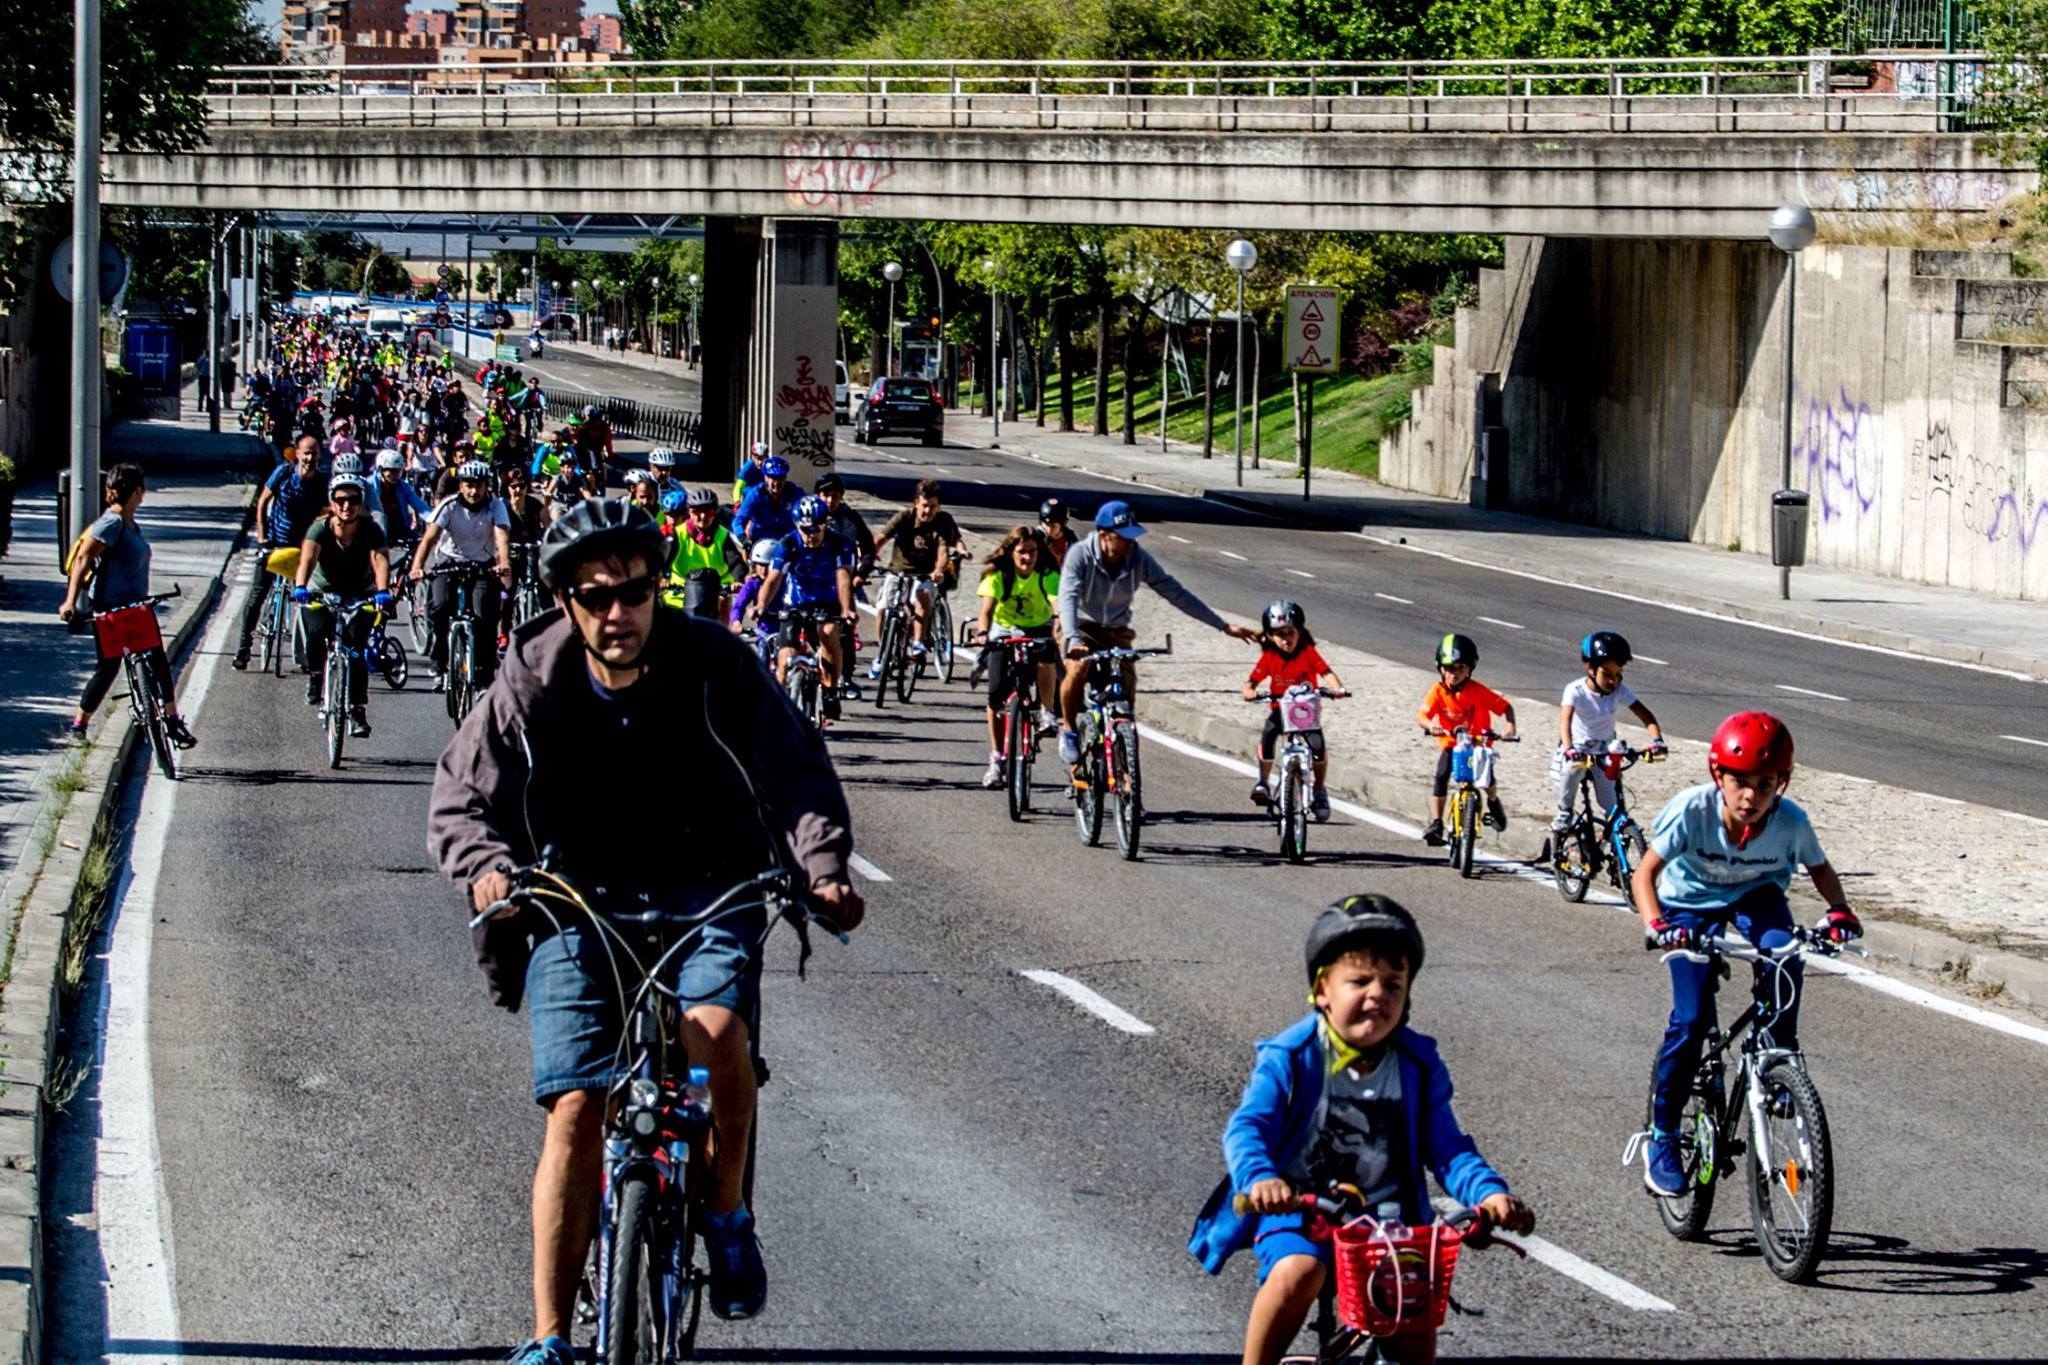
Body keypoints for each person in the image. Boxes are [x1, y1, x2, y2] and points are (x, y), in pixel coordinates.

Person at [428, 499, 865, 1365]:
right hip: (572, 899)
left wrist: (822, 867)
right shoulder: (529, 673)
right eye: (595, 597)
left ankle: (728, 1212)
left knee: (714, 1036)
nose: (617, 613)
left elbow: (796, 769)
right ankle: (549, 1339)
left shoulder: (715, 663)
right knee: (578, 1106)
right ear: (564, 599)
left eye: (633, 591)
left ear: (656, 588)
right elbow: (460, 795)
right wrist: (485, 864)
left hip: (707, 889)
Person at [1188, 896, 1534, 1365]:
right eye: (1360, 981)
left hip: (1394, 1227)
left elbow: (1448, 1147)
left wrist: (1489, 1194)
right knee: (1298, 1271)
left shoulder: (1418, 1063)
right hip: (1302, 1215)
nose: (1378, 995)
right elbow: (1247, 1127)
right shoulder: (1291, 1056)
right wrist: (1261, 1179)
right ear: (1322, 990)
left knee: (1415, 1313)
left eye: (1394, 984)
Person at [1630, 712, 1860, 1199]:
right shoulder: (1690, 811)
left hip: (1756, 896)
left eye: (1766, 783)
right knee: (1691, 1021)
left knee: (1785, 954)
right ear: (1719, 776)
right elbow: (1644, 875)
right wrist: (1657, 926)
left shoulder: (1790, 821)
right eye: (1739, 782)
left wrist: (1839, 911)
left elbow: (1820, 869)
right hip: (1686, 905)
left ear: (1782, 782)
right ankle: (1662, 1138)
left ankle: (1777, 1058)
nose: (1751, 796)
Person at [1053, 500, 1259, 766]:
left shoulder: (1137, 558)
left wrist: (1222, 625)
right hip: (1080, 626)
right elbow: (1067, 598)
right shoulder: (1080, 555)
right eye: (1123, 538)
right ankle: (1069, 729)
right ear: (1104, 536)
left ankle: (1126, 778)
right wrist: (1073, 638)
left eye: (1132, 537)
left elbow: (1175, 592)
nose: (1130, 544)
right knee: (1077, 669)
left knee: (1124, 699)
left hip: (1116, 631)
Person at [56, 463, 198, 747]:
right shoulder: (113, 522)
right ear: (137, 491)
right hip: (111, 607)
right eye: (141, 489)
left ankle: (171, 720)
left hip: (136, 606)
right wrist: (70, 601)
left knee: (158, 661)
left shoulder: (131, 523)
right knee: (108, 667)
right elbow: (83, 558)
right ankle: (79, 724)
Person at [292, 473, 393, 737]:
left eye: (353, 500)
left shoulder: (371, 529)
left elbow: (380, 560)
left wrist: (383, 591)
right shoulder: (320, 528)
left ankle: (358, 710)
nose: (346, 506)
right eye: (340, 500)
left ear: (361, 502)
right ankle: (316, 676)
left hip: (360, 592)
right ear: (332, 501)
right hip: (322, 591)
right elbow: (307, 560)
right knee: (316, 631)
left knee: (356, 649)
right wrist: (301, 587)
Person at [1548, 631, 1666, 847]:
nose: (1613, 680)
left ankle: (1616, 848)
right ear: (1590, 668)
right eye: (1607, 674)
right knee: (1571, 770)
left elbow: (1646, 716)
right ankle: (1565, 812)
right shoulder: (1575, 690)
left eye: (1618, 674)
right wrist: (1569, 748)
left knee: (1611, 806)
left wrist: (1657, 741)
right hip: (1578, 752)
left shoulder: (1618, 690)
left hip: (1603, 753)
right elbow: (1565, 721)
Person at [971, 525, 1062, 789]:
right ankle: (997, 758)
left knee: (1047, 656)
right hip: (1004, 629)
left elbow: (1056, 602)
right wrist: (982, 632)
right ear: (1011, 552)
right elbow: (986, 610)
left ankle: (1046, 710)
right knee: (996, 693)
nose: (1027, 558)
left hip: (1039, 627)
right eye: (1022, 552)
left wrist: (1059, 622)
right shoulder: (998, 574)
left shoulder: (1047, 573)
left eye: (1032, 552)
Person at [412, 459, 512, 692]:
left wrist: (504, 562)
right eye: (468, 485)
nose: (473, 490)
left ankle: (484, 677)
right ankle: (439, 664)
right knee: (440, 606)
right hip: (449, 562)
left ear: (487, 486)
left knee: (485, 616)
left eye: (478, 485)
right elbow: (429, 538)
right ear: (460, 486)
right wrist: (417, 566)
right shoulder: (449, 505)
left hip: (481, 564)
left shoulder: (495, 506)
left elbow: (502, 536)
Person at [1242, 601, 1348, 821]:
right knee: (1268, 734)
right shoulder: (1270, 657)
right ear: (1270, 636)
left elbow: (1326, 672)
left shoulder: (1308, 653)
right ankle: (1263, 782)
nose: (1286, 639)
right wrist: (1249, 690)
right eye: (1279, 634)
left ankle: (1319, 790)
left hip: (1305, 711)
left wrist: (1337, 688)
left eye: (1290, 632)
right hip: (1280, 709)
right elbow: (1252, 681)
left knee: (1318, 747)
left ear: (1300, 632)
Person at [234, 436, 330, 670]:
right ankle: (243, 648)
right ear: (297, 453)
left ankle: (309, 656)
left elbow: (324, 511)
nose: (310, 458)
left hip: (302, 549)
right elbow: (263, 500)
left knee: (312, 601)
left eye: (314, 453)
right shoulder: (284, 473)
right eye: (306, 453)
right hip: (275, 542)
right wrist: (261, 535)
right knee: (257, 594)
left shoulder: (320, 482)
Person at [759, 495, 857, 717]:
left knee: (829, 633)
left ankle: (831, 691)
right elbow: (774, 578)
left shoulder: (840, 544)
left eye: (816, 529)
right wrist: (760, 604)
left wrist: (846, 609)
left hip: (828, 601)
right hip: (796, 602)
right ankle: (781, 705)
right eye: (805, 530)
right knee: (785, 659)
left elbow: (843, 578)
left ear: (825, 525)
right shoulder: (789, 543)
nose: (810, 535)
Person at [1415, 633, 1516, 847]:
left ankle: (1494, 804)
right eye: (1450, 668)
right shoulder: (1438, 691)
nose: (1454, 674)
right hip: (1452, 745)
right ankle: (1436, 822)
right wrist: (1432, 726)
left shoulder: (1478, 691)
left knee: (1486, 779)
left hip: (1478, 746)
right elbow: (1422, 716)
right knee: (1441, 775)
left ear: (1470, 669)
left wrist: (1510, 728)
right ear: (1441, 669)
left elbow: (1505, 707)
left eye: (1460, 668)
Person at [869, 479, 966, 668]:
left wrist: (938, 571)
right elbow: (881, 538)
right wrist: (867, 558)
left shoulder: (943, 521)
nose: (927, 511)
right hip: (898, 571)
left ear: (939, 506)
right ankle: (883, 652)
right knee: (883, 607)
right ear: (916, 503)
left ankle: (918, 643)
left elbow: (943, 552)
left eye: (932, 506)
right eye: (924, 506)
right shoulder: (904, 517)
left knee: (923, 595)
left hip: (925, 574)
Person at [665, 486, 746, 621]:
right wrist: (662, 577)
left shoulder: (722, 535)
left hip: (715, 590)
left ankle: (721, 640)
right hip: (680, 590)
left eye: (709, 512)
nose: (703, 517)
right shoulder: (678, 534)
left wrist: (738, 580)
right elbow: (662, 558)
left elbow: (736, 562)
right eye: (697, 512)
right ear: (689, 513)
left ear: (715, 513)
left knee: (723, 604)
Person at [813, 471, 874, 588]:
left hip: (846, 579)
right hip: (815, 579)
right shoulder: (808, 517)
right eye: (826, 495)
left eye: (835, 496)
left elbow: (868, 546)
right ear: (818, 495)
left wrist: (861, 574)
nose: (830, 500)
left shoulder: (851, 517)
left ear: (841, 496)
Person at [730, 537, 783, 656]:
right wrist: (736, 621)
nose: (764, 570)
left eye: (768, 565)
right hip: (764, 633)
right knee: (762, 657)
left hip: (787, 628)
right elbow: (738, 605)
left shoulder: (787, 581)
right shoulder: (752, 583)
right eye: (761, 565)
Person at [368, 448, 430, 546]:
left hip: (399, 527)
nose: (396, 476)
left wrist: (435, 522)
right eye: (392, 471)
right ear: (381, 470)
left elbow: (421, 507)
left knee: (420, 546)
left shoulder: (403, 486)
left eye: (399, 471)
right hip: (374, 530)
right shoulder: (369, 486)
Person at [735, 455, 802, 546]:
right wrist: (743, 538)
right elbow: (739, 520)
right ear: (765, 477)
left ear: (785, 477)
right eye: (773, 477)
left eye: (781, 477)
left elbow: (808, 510)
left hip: (787, 542)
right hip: (760, 542)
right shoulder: (755, 494)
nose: (777, 483)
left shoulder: (794, 492)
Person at [501, 463, 551, 545]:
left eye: (522, 486)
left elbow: (548, 528)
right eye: (514, 486)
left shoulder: (536, 505)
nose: (518, 490)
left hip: (533, 548)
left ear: (527, 487)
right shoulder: (502, 507)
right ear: (507, 488)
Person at [1038, 496, 1078, 567]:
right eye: (1046, 525)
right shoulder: (1037, 538)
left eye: (1053, 526)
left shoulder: (1071, 541)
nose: (1049, 529)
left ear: (1062, 524)